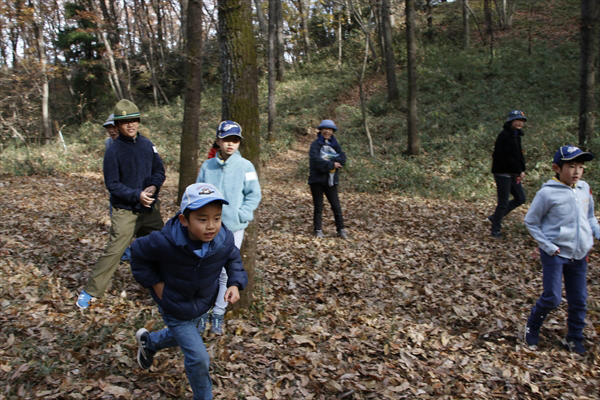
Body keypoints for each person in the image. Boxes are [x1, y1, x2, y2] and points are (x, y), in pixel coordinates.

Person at [132, 182, 248, 399]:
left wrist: (235, 282)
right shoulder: (164, 241)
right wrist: (156, 283)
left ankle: (150, 343)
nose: (211, 226)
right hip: (173, 304)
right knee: (199, 357)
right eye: (202, 219)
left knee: (182, 337)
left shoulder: (223, 239)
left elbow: (233, 259)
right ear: (184, 220)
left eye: (216, 217)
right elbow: (138, 254)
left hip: (202, 303)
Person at [76, 99, 165, 309]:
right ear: (117, 125)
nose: (131, 125)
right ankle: (90, 291)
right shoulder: (113, 150)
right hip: (125, 211)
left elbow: (159, 170)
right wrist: (136, 195)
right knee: (115, 251)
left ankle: (167, 288)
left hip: (150, 209)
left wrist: (153, 187)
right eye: (125, 122)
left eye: (134, 120)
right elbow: (113, 185)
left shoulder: (147, 144)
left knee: (163, 247)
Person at [523, 145, 599, 355]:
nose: (576, 171)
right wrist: (547, 246)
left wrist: (596, 233)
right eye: (571, 166)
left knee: (579, 299)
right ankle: (533, 325)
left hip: (579, 254)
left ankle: (574, 338)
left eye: (580, 167)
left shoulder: (584, 189)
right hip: (555, 254)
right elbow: (531, 221)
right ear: (557, 168)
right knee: (553, 297)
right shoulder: (547, 193)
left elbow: (590, 216)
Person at [196, 120, 261, 334]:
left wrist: (242, 214)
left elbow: (254, 194)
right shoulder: (208, 166)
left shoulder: (246, 167)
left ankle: (218, 312)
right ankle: (202, 310)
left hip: (233, 228)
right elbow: (197, 191)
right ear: (218, 141)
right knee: (204, 269)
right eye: (226, 140)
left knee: (225, 271)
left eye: (235, 140)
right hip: (207, 227)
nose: (230, 144)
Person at [489, 110, 527, 238]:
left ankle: (495, 217)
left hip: (512, 172)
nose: (519, 122)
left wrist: (522, 169)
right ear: (510, 121)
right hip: (502, 172)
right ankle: (495, 230)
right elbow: (506, 157)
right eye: (517, 120)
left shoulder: (516, 135)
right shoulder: (504, 135)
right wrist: (518, 170)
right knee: (503, 202)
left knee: (521, 198)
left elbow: (519, 155)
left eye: (521, 120)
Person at [308, 119, 347, 239]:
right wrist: (332, 164)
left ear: (332, 131)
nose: (327, 131)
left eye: (330, 130)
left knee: (336, 206)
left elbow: (343, 158)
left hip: (331, 181)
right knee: (318, 207)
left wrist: (331, 162)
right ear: (321, 130)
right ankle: (318, 230)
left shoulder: (335, 145)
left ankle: (341, 230)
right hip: (317, 181)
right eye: (325, 129)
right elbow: (316, 161)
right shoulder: (315, 145)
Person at [103, 113, 132, 262]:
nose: (112, 131)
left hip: (135, 191)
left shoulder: (136, 143)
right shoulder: (109, 144)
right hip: (117, 191)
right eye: (109, 128)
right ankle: (124, 254)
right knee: (117, 225)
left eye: (114, 127)